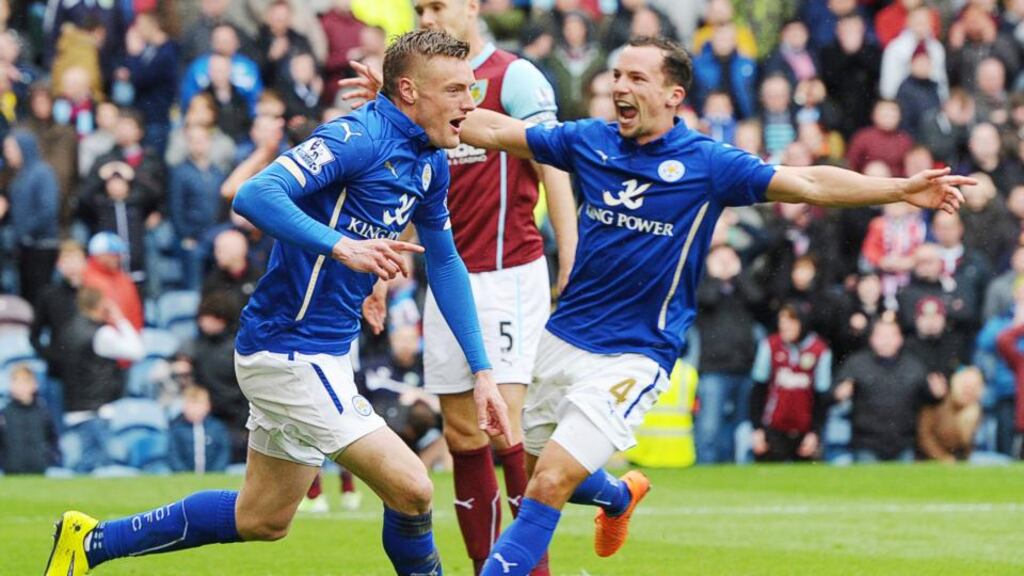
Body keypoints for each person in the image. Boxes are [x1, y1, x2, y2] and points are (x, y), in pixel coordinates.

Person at [342, 35, 970, 574]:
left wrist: (900, 188)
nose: (620, 85)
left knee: (551, 482)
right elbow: (497, 129)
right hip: (564, 339)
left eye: (637, 77)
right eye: (617, 74)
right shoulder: (590, 141)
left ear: (673, 95)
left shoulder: (707, 163)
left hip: (635, 354)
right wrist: (412, 103)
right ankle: (616, 495)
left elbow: (807, 181)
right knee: (539, 472)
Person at [45, 29, 509, 576]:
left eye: (472, 88)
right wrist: (344, 249)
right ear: (409, 90)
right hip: (288, 351)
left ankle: (90, 543)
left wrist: (482, 371)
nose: (470, 103)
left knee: (262, 517)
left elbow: (447, 264)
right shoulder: (355, 137)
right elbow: (253, 194)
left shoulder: (428, 162)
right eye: (456, 90)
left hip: (324, 351)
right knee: (411, 488)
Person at [345, 2, 577, 574]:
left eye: (439, 5)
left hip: (508, 272)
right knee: (460, 433)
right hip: (445, 280)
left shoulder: (513, 75)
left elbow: (553, 161)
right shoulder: (416, 96)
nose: (427, 14)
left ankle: (531, 569)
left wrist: (572, 254)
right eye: (419, 6)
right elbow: (408, 181)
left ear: (471, 6)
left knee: (506, 430)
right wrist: (383, 270)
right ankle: (483, 565)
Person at [833, 317, 945, 462]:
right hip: (866, 444)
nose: (886, 340)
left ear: (900, 339)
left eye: (891, 335)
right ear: (872, 339)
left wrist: (938, 394)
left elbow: (929, 398)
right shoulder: (856, 364)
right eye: (881, 335)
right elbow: (832, 393)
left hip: (904, 443)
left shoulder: (914, 365)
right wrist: (839, 393)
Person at [749, 305, 832, 462]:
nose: (785, 326)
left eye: (791, 321)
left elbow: (822, 397)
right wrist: (757, 430)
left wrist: (815, 433)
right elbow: (758, 389)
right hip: (773, 428)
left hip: (805, 431)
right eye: (782, 320)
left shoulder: (820, 350)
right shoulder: (769, 346)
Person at [0, 365, 60, 474]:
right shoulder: (4, 413)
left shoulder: (43, 412)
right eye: (17, 382)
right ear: (11, 386)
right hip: (11, 470)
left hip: (40, 469)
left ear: (34, 385)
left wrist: (50, 458)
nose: (21, 387)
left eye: (25, 382)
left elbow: (53, 439)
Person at [916, 367, 984, 462]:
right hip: (931, 458)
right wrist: (943, 457)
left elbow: (969, 447)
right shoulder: (938, 401)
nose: (968, 391)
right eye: (966, 386)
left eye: (973, 387)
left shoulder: (974, 411)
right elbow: (925, 436)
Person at [168, 385, 232, 473]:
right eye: (191, 405)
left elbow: (223, 452)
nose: (194, 410)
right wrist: (182, 473)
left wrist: (216, 472)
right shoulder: (177, 429)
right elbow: (173, 455)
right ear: (184, 407)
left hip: (213, 474)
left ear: (207, 406)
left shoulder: (217, 428)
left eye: (198, 405)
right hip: (184, 476)